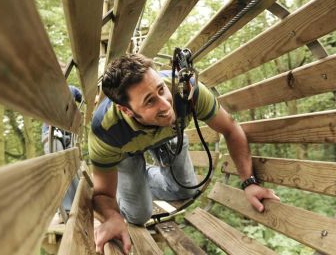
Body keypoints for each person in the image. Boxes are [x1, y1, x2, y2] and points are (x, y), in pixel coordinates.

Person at [89, 54, 279, 254]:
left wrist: (249, 182)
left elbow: (230, 128)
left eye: (161, 89)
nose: (166, 104)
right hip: (126, 152)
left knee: (187, 190)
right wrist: (112, 217)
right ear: (126, 110)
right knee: (137, 216)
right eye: (150, 101)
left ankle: (142, 179)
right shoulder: (106, 131)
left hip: (169, 135)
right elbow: (102, 194)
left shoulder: (187, 90)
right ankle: (135, 178)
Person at [42, 85, 82, 216]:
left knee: (73, 168)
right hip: (51, 134)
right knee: (60, 170)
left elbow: (85, 99)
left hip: (68, 135)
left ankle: (79, 204)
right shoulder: (47, 89)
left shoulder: (72, 89)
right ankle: (65, 210)